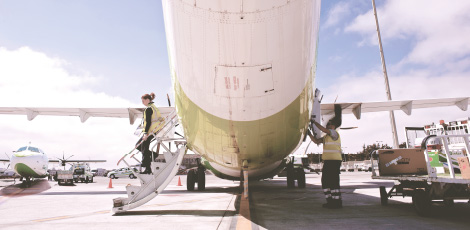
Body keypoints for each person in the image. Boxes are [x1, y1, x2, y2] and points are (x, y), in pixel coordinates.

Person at [308, 104, 343, 209]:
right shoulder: (327, 137)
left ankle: (337, 202)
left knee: (333, 182)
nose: (328, 126)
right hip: (328, 162)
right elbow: (316, 141)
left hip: (334, 162)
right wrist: (309, 133)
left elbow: (323, 129)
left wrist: (314, 122)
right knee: (326, 182)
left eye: (329, 124)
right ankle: (330, 201)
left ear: (333, 126)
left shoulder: (334, 134)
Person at [136, 92, 164, 174]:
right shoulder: (154, 107)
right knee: (143, 148)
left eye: (143, 101)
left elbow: (148, 122)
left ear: (147, 100)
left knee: (140, 147)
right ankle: (148, 167)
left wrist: (145, 133)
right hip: (154, 131)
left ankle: (152, 158)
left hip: (150, 131)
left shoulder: (148, 109)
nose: (142, 103)